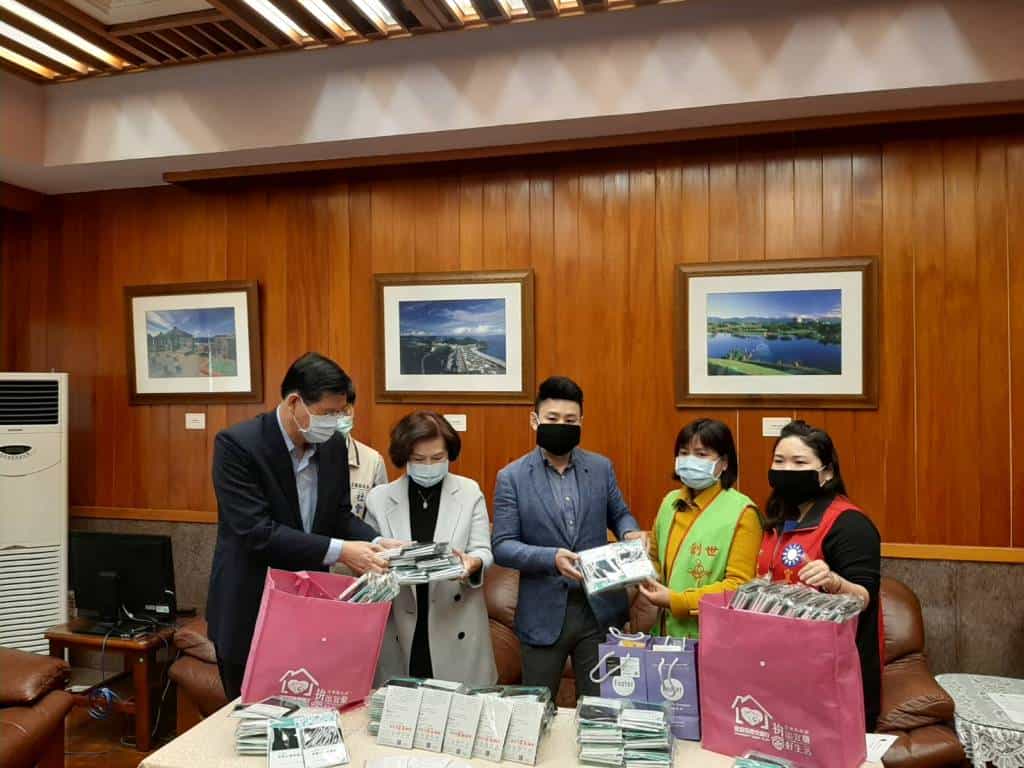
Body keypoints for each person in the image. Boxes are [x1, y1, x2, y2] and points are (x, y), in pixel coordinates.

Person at [207, 353, 401, 700]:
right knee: (248, 717)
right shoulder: (238, 446)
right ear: (295, 402)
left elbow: (339, 515)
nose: (335, 422)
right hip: (249, 607)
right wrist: (342, 552)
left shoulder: (333, 445)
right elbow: (256, 532)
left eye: (341, 412)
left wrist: (378, 540)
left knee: (308, 713)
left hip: (310, 611)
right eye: (328, 413)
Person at [492, 376, 643, 700]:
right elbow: (502, 545)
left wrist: (629, 531)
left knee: (601, 709)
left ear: (581, 422)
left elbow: (619, 513)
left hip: (599, 607)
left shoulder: (601, 468)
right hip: (543, 612)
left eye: (570, 421)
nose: (561, 426)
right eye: (553, 418)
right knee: (536, 707)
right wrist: (551, 558)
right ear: (534, 420)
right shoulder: (512, 478)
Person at [756, 419, 882, 730]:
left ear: (827, 472)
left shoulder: (850, 524)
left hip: (831, 674)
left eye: (799, 463)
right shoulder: (778, 520)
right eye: (779, 461)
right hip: (777, 665)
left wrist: (834, 582)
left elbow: (864, 598)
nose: (787, 469)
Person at [365, 411, 497, 686]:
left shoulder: (469, 492)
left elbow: (482, 550)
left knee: (460, 706)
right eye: (418, 459)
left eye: (437, 458)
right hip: (401, 617)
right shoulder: (379, 498)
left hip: (455, 617)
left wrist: (473, 563)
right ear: (404, 457)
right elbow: (368, 559)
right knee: (402, 704)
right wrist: (379, 562)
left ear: (449, 454)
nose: (428, 466)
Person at [638, 419, 762, 638]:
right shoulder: (670, 502)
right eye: (684, 453)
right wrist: (634, 567)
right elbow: (655, 561)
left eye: (701, 454)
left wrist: (676, 601)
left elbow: (738, 587)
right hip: (665, 635)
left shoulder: (743, 512)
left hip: (713, 638)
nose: (690, 461)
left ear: (724, 463)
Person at [336, 393, 388, 521]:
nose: (337, 417)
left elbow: (380, 518)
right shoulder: (305, 455)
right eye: (329, 413)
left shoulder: (373, 461)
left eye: (343, 411)